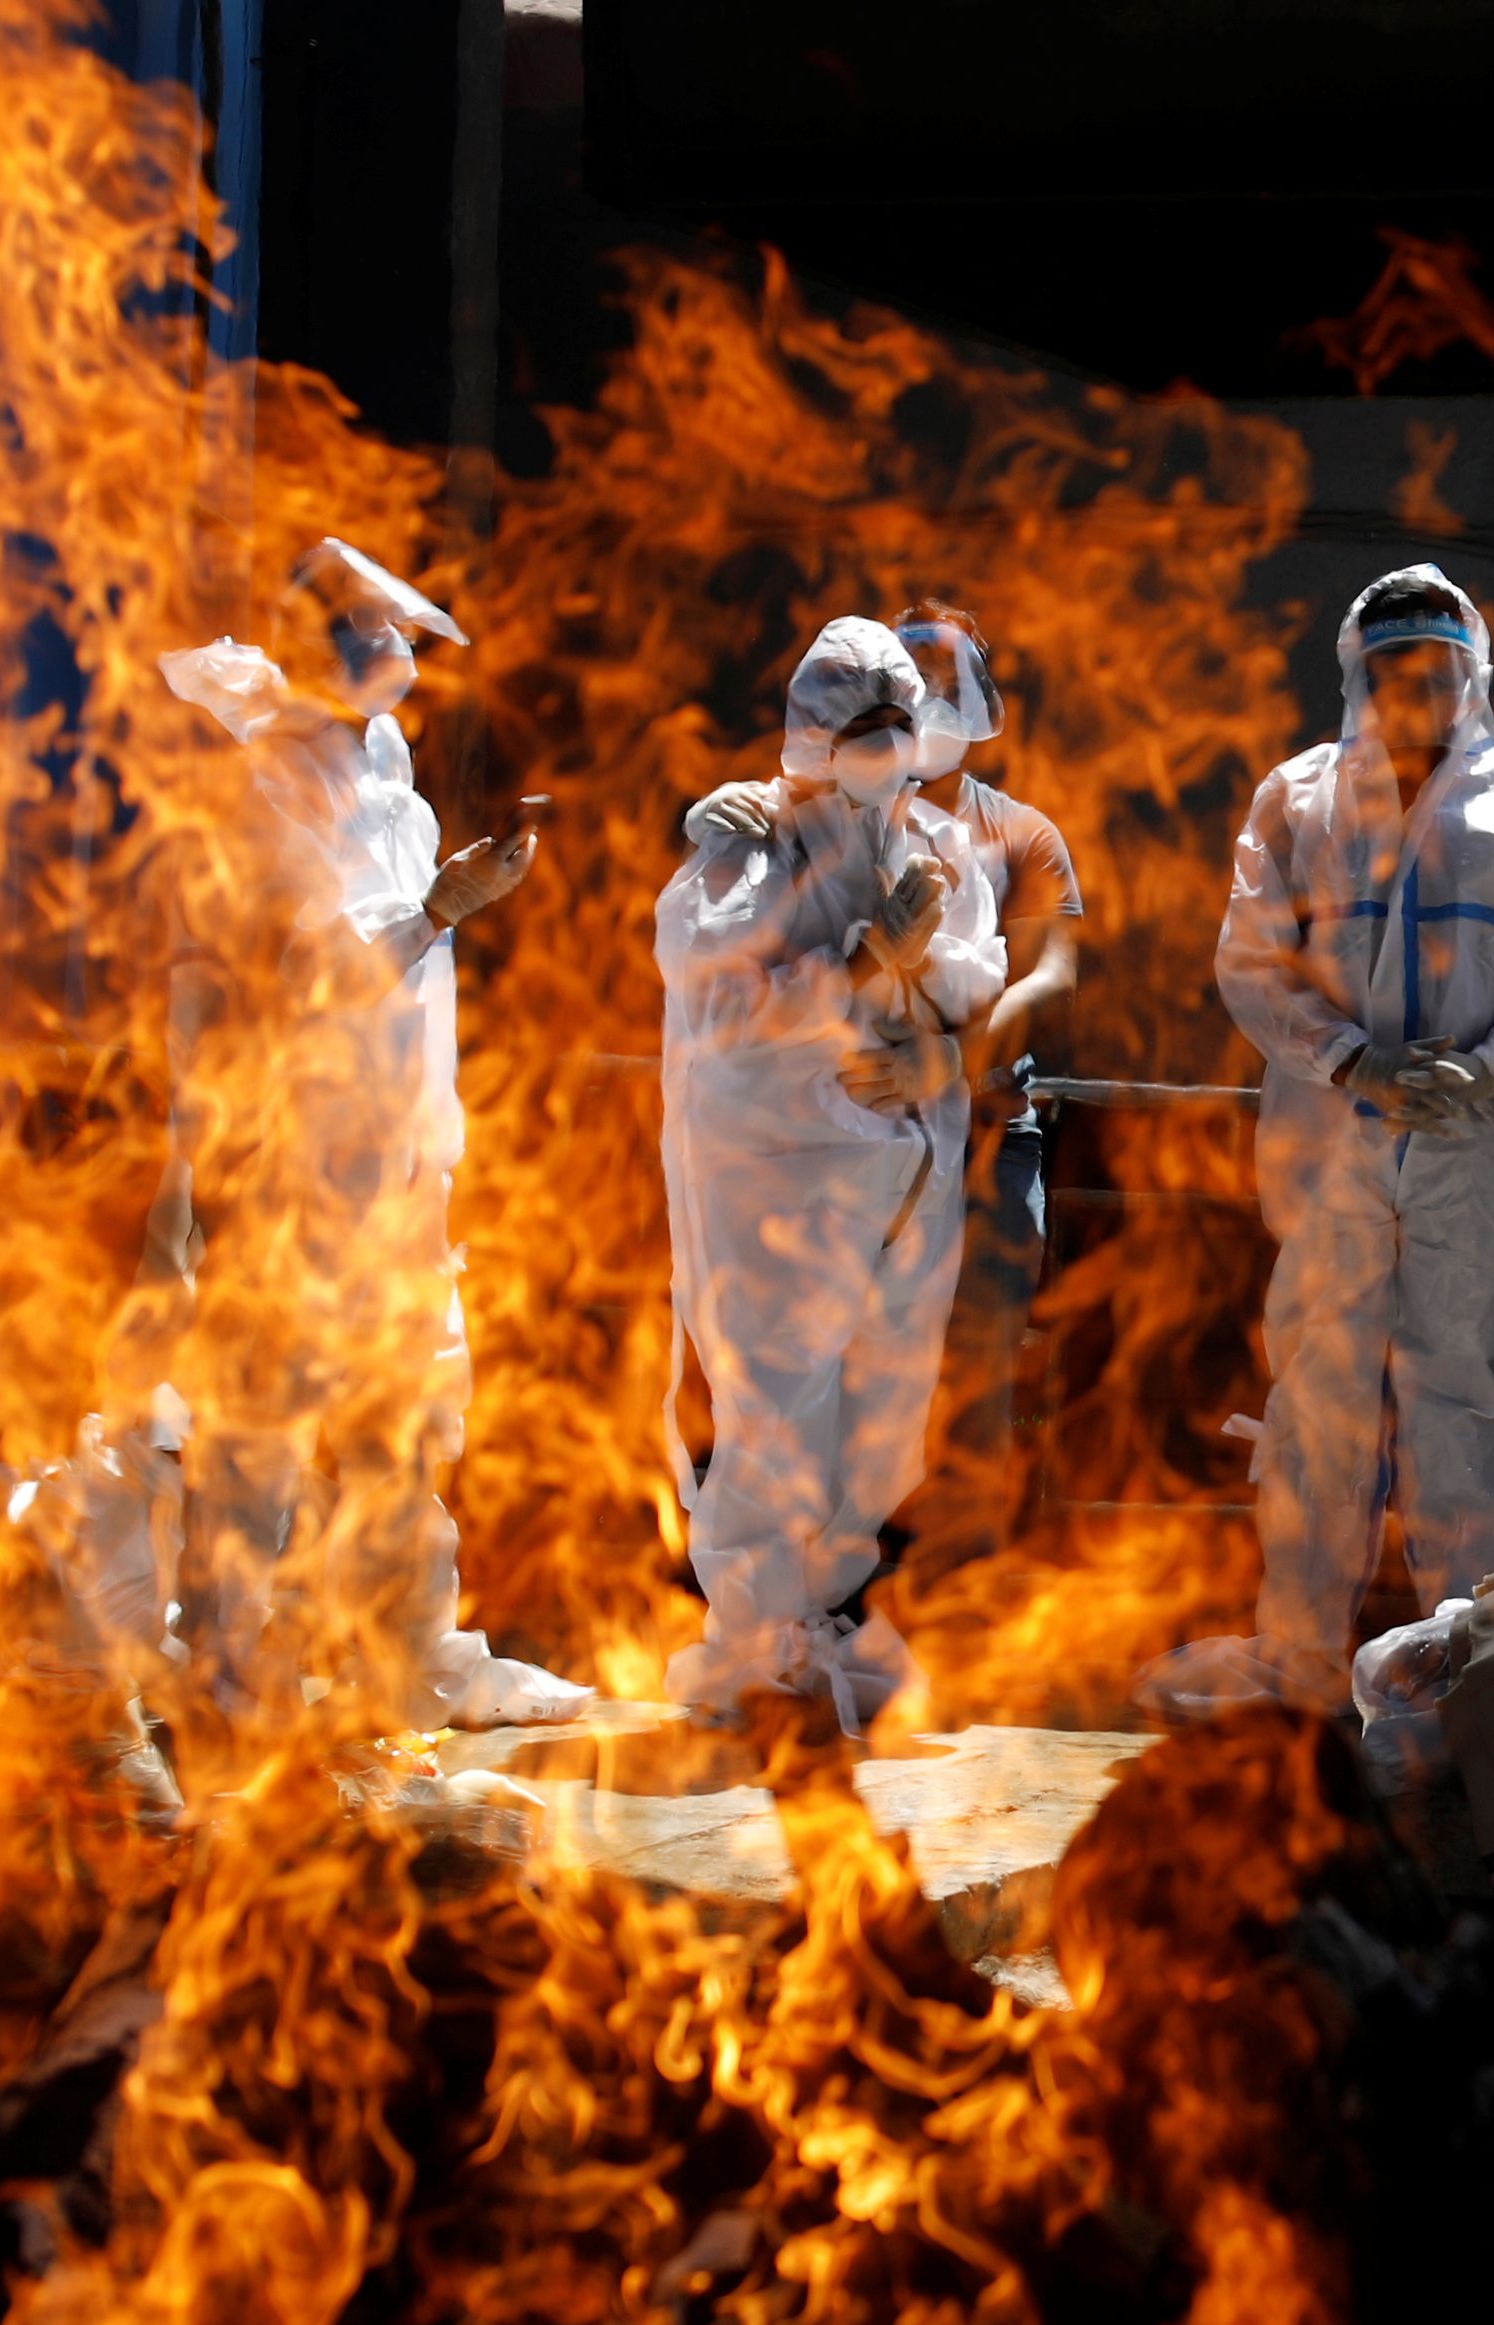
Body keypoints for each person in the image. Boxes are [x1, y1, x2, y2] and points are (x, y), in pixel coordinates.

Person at [153, 537, 591, 1735]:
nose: (398, 649)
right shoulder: (271, 787)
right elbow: (310, 974)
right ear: (321, 647)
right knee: (261, 1422)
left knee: (405, 1415)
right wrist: (439, 906)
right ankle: (225, 1675)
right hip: (295, 1160)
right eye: (375, 629)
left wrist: (442, 905)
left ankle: (414, 1659)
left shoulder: (388, 776)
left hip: (397, 1160)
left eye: (399, 629)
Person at [1207, 564, 1494, 1707]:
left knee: (1456, 1401)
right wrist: (1348, 1057)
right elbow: (1250, 960)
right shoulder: (1296, 799)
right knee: (1316, 1399)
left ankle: (1467, 1669)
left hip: (1466, 1150)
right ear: (1358, 677)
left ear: (1470, 677)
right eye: (1391, 672)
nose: (1414, 692)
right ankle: (1297, 1658)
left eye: (1436, 671)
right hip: (1328, 1139)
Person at [683, 603, 1084, 1577]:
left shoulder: (1014, 833)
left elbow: (1049, 976)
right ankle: (825, 1593)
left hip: (983, 1136)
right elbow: (743, 978)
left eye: (946, 681)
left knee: (969, 1370)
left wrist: (949, 1063)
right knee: (809, 1375)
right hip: (834, 1145)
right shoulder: (799, 819)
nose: (924, 702)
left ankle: (953, 1582)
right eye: (907, 681)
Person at [657, 617, 1007, 1728]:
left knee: (881, 1418)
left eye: (901, 721)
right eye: (864, 723)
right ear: (812, 730)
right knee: (775, 1412)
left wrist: (931, 1024)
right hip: (777, 1174)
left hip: (903, 1175)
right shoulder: (748, 844)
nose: (888, 742)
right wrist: (857, 968)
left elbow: (977, 982)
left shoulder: (934, 847)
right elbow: (724, 1013)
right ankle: (757, 1640)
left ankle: (826, 1618)